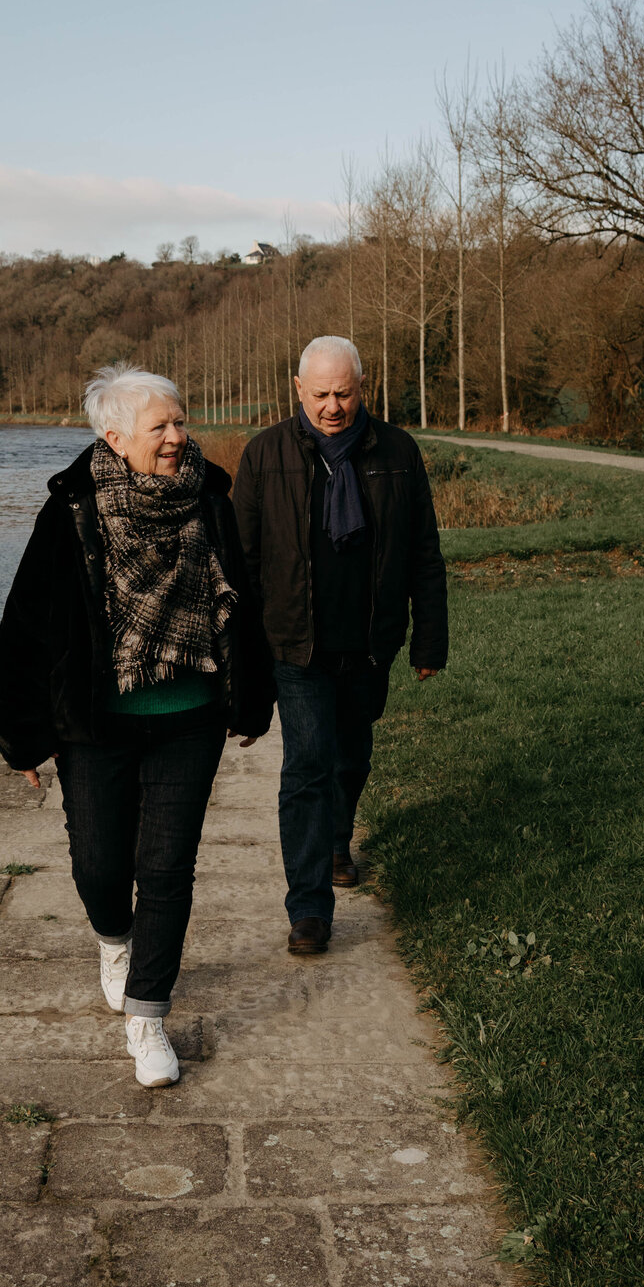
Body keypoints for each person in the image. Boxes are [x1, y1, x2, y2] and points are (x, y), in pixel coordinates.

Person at [0, 364, 272, 1086]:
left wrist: (252, 694)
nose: (179, 437)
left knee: (168, 868)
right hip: (98, 720)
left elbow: (241, 596)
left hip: (190, 716)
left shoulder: (211, 495)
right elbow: (30, 623)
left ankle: (148, 1020)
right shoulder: (73, 509)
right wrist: (21, 733)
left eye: (181, 423)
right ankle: (112, 939)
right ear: (113, 438)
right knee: (100, 867)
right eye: (161, 427)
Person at [232, 335, 447, 955]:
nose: (332, 407)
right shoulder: (265, 454)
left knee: (350, 756)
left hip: (370, 641)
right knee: (306, 764)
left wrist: (428, 639)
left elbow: (423, 552)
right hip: (296, 645)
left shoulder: (398, 453)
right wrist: (243, 656)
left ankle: (335, 840)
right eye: (321, 394)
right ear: (298, 390)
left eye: (344, 393)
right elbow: (242, 561)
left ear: (362, 388)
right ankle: (308, 908)